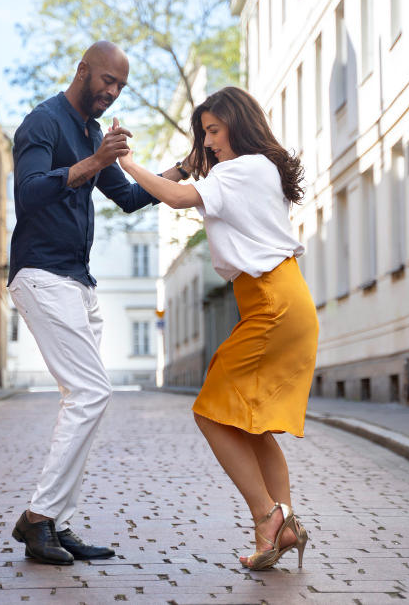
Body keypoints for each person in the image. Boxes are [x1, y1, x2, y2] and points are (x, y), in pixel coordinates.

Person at [117, 86, 317, 571]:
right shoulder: (257, 170)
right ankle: (281, 526)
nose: (208, 143)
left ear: (238, 125)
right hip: (282, 301)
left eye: (213, 131)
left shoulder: (240, 169)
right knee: (253, 423)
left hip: (270, 303)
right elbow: (195, 181)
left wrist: (127, 164)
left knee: (210, 412)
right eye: (203, 134)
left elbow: (177, 197)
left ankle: (266, 517)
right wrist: (190, 160)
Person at [8, 41, 191, 565]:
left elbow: (131, 199)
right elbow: (28, 192)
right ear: (83, 70)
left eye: (120, 87)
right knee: (91, 391)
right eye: (107, 81)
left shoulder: (92, 133)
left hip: (79, 282)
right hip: (41, 273)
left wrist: (181, 168)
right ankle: (38, 520)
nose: (112, 93)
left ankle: (55, 521)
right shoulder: (41, 123)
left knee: (84, 400)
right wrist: (92, 161)